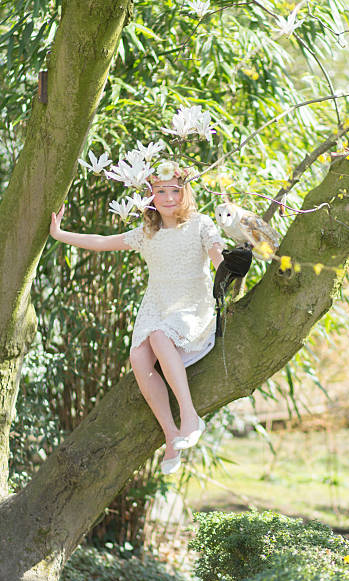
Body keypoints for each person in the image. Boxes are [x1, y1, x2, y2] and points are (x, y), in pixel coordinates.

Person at [49, 167, 225, 474]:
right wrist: (59, 234)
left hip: (191, 304)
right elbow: (102, 241)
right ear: (151, 197)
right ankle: (171, 434)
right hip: (158, 305)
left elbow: (219, 259)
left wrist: (231, 267)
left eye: (175, 190)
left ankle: (189, 415)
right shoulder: (147, 234)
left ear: (185, 192)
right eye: (161, 191)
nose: (169, 197)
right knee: (138, 357)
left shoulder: (201, 224)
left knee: (158, 337)